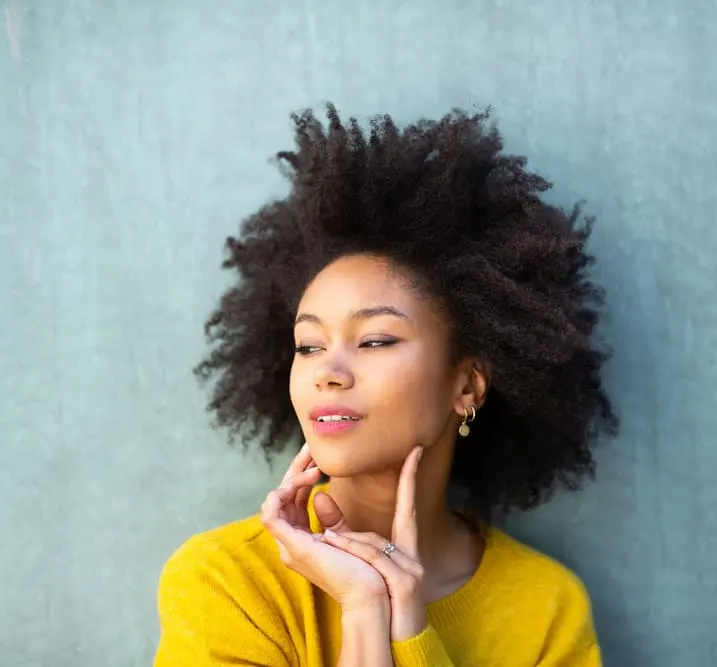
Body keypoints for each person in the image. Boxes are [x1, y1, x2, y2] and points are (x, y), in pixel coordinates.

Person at [153, 104, 618, 666]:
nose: (329, 370)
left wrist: (409, 629)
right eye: (309, 346)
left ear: (468, 384)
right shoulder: (226, 581)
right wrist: (363, 607)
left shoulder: (545, 607)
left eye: (374, 341)